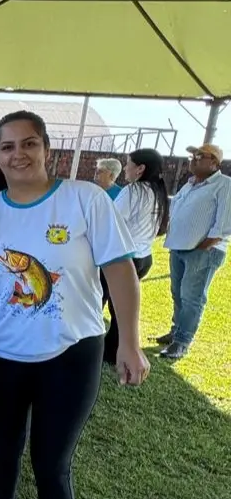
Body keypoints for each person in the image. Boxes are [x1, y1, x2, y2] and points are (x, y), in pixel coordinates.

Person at [0, 111, 148, 499]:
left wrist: (129, 344)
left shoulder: (84, 199)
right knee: (5, 440)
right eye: (7, 146)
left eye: (29, 144)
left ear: (47, 148)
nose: (18, 155)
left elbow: (120, 270)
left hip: (71, 354)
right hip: (4, 350)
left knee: (51, 462)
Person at [158, 143, 231, 359]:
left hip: (204, 251)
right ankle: (176, 331)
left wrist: (204, 246)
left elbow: (224, 223)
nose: (194, 159)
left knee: (192, 297)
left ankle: (182, 342)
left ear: (214, 163)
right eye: (192, 155)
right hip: (179, 247)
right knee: (178, 293)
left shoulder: (224, 185)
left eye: (200, 156)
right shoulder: (189, 184)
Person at [100, 149, 170, 364]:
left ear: (140, 169)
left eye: (129, 164)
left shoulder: (134, 191)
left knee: (104, 303)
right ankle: (111, 349)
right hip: (143, 257)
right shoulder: (157, 192)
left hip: (122, 258)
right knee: (120, 307)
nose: (126, 169)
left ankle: (108, 351)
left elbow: (111, 220)